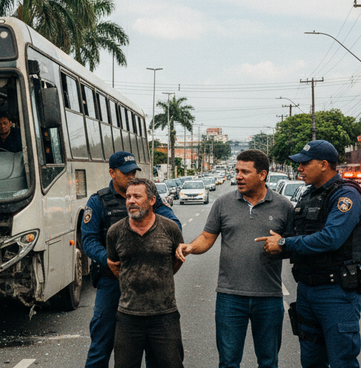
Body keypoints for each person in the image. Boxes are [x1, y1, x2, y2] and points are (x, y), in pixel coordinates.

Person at [176, 149, 293, 368]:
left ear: (262, 174)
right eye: (237, 170)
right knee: (228, 362)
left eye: (245, 172)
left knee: (269, 362)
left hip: (268, 296)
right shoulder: (223, 203)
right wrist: (191, 247)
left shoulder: (283, 206)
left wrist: (282, 246)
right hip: (230, 297)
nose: (238, 176)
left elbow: (293, 245)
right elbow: (207, 237)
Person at [257, 140, 361, 368]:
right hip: (307, 289)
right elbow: (297, 236)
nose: (300, 168)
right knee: (311, 359)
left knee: (341, 360)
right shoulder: (307, 196)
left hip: (336, 291)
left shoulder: (346, 196)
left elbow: (331, 239)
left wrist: (284, 243)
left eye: (305, 163)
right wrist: (273, 245)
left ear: (324, 164)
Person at [81, 151, 182, 368]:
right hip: (112, 280)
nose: (131, 176)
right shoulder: (98, 201)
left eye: (134, 172)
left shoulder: (148, 195)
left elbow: (173, 223)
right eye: (126, 173)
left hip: (147, 285)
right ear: (112, 173)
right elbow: (88, 240)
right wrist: (107, 259)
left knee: (156, 349)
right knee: (101, 342)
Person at [106, 178, 184, 368]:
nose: (130, 201)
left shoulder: (169, 229)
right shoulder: (115, 232)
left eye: (137, 196)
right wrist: (131, 280)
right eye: (128, 196)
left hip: (164, 315)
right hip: (128, 317)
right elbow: (114, 264)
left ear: (151, 200)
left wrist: (159, 276)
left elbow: (176, 260)